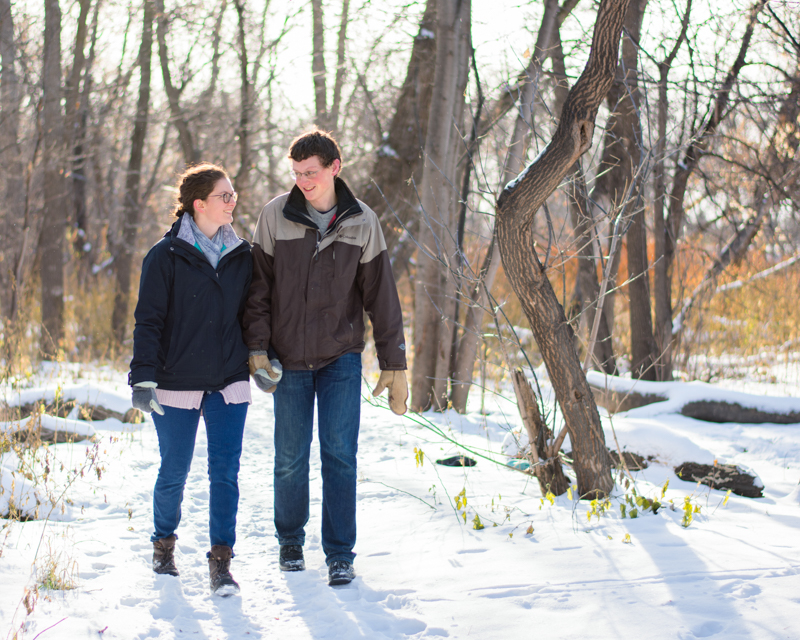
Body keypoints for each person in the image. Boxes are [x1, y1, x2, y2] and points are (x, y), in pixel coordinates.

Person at [243, 129, 408, 586]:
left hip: (340, 358)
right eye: (296, 174)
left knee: (340, 455)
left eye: (310, 173)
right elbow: (257, 291)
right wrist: (257, 347)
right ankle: (290, 542)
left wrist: (394, 361)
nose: (303, 182)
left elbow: (382, 297)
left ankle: (340, 553)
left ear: (335, 167)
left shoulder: (362, 222)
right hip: (288, 358)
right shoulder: (274, 216)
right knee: (290, 457)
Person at [129, 163, 253, 597]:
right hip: (175, 380)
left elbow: (254, 316)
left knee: (225, 474)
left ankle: (222, 562)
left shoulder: (243, 255)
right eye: (225, 196)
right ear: (199, 204)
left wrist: (263, 356)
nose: (233, 201)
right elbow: (149, 321)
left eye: (233, 194)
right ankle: (163, 544)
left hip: (229, 380)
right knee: (174, 471)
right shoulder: (164, 256)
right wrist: (142, 378)